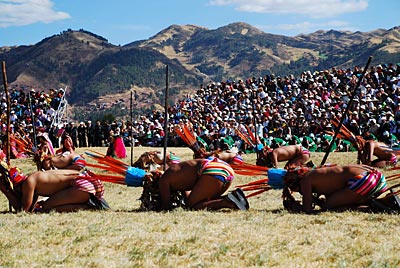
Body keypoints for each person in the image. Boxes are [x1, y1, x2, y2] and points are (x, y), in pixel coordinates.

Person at [280, 164, 388, 213]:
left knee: (328, 207)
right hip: (379, 178)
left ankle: (370, 208)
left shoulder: (305, 180)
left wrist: (296, 207)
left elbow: (308, 210)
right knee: (333, 202)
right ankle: (378, 203)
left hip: (365, 181)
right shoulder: (320, 171)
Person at [0, 166, 109, 212]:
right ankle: (88, 203)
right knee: (45, 205)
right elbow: (31, 208)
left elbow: (23, 211)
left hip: (83, 185)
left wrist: (7, 192)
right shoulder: (33, 179)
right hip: (87, 181)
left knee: (47, 207)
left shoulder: (28, 183)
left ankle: (87, 206)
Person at [158, 157, 249, 211]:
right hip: (225, 168)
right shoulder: (175, 173)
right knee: (204, 201)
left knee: (193, 206)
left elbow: (166, 206)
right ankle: (234, 197)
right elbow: (189, 197)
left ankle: (226, 202)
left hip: (212, 170)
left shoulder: (163, 180)